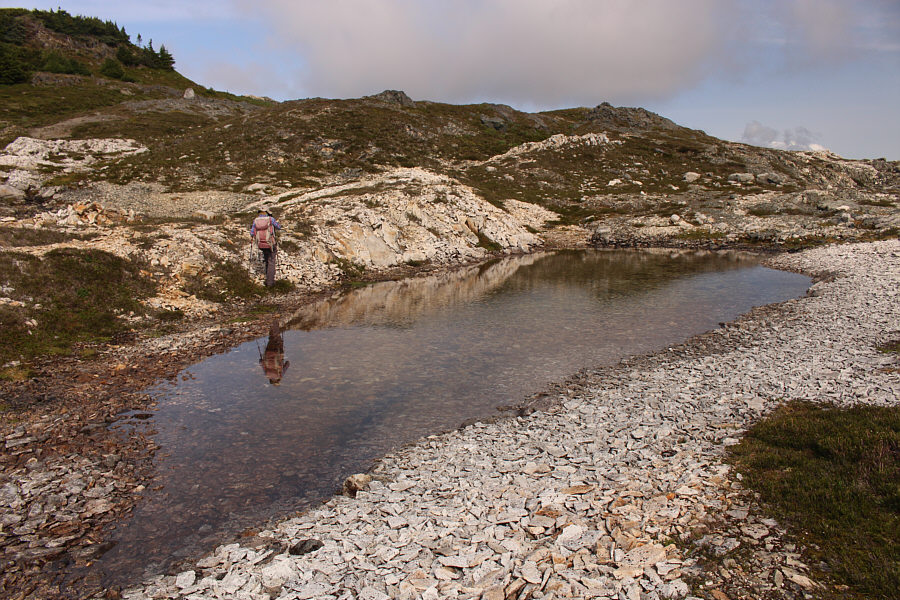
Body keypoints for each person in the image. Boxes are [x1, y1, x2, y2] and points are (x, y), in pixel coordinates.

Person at [250, 207, 282, 287]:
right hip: (270, 243)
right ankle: (270, 282)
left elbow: (252, 233)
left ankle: (268, 277)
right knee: (271, 261)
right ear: (267, 212)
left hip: (261, 244)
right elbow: (279, 227)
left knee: (267, 259)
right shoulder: (270, 219)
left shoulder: (255, 220)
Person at [260, 321, 290, 385]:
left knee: (276, 337)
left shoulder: (280, 375)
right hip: (267, 352)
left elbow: (288, 364)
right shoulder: (266, 374)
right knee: (271, 338)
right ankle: (272, 323)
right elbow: (261, 362)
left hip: (277, 352)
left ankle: (274, 321)